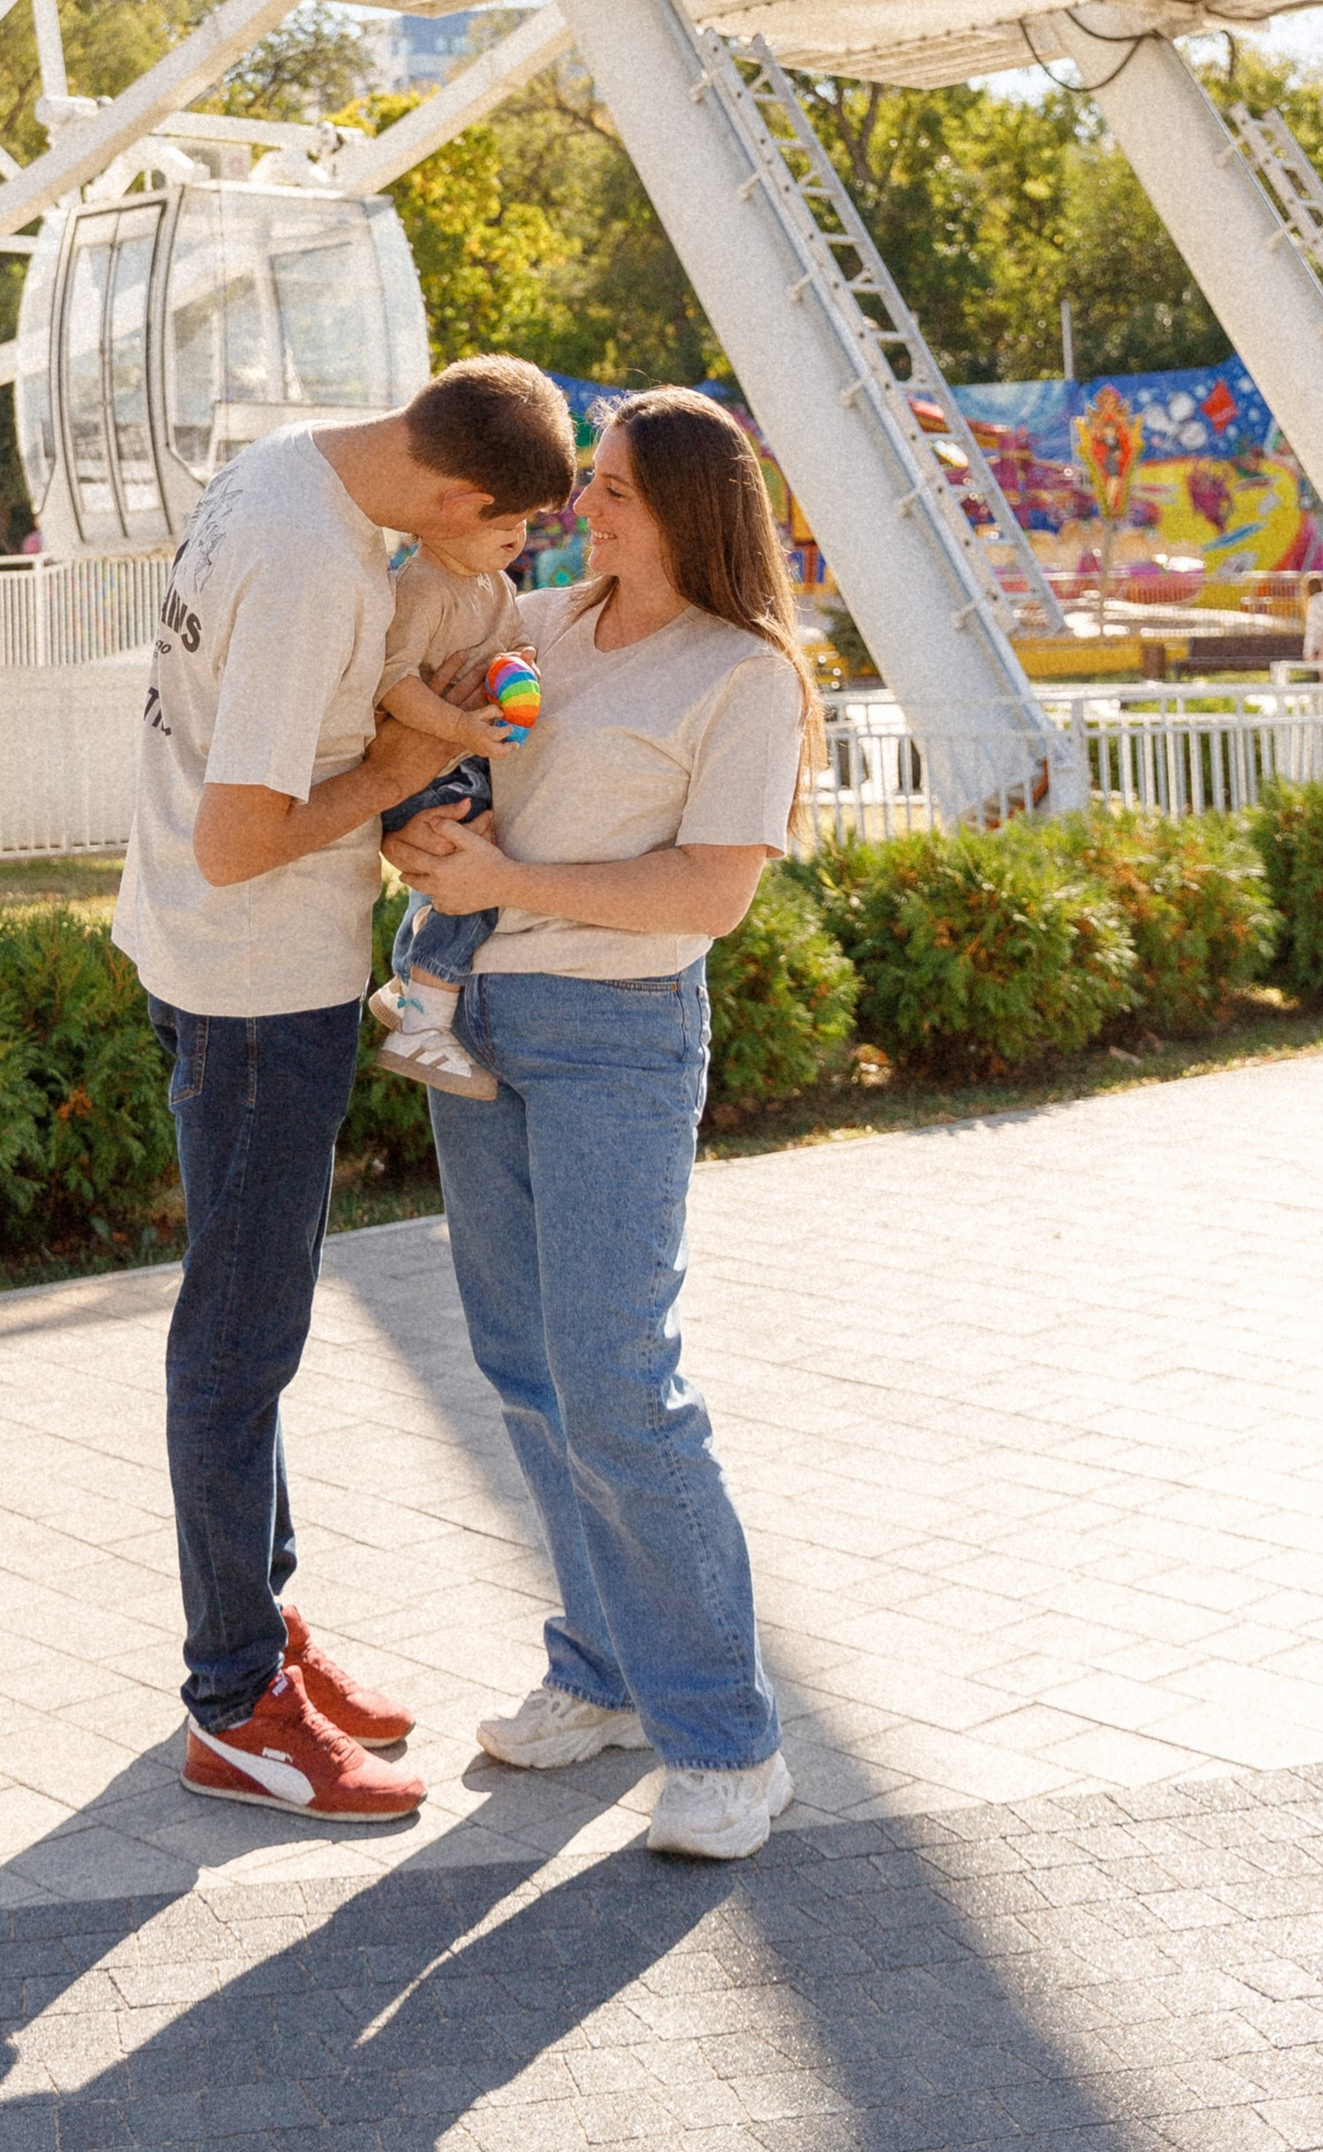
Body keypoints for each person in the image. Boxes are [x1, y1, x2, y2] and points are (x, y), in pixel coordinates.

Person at [113, 354, 580, 1825]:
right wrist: (393, 767)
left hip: (193, 959)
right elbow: (240, 840)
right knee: (239, 1345)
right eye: (514, 534)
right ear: (458, 494)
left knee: (247, 1329)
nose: (519, 563)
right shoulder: (322, 568)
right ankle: (236, 1701)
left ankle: (264, 1627)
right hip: (258, 980)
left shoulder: (287, 467)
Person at [387, 386, 815, 1863]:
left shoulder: (743, 678)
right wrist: (422, 835)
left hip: (618, 1042)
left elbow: (709, 897)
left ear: (692, 507)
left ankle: (730, 1747)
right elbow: (454, 772)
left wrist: (504, 882)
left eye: (618, 487)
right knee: (524, 1367)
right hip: (482, 1027)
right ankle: (605, 1671)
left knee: (621, 1385)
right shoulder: (548, 629)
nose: (587, 507)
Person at [363, 531, 540, 1104]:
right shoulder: (423, 584)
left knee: (454, 877)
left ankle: (405, 982)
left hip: (464, 763)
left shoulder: (499, 582)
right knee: (474, 886)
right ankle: (422, 1025)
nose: (515, 534)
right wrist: (462, 729)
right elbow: (394, 681)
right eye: (501, 518)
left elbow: (515, 649)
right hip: (431, 767)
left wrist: (518, 671)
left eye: (525, 518)